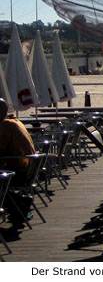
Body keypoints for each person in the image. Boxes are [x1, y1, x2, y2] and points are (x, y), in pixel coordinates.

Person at [0, 98, 36, 229]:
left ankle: (18, 203)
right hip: (29, 169)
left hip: (18, 171)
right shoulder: (15, 122)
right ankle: (18, 204)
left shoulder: (5, 126)